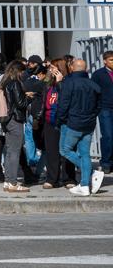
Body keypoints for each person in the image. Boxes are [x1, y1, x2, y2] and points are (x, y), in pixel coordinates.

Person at [56, 57, 104, 196]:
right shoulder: (93, 84)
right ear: (86, 69)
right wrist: (91, 116)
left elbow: (63, 105)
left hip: (72, 123)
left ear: (72, 68)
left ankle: (92, 172)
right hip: (88, 124)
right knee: (85, 154)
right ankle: (84, 185)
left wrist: (60, 121)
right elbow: (98, 106)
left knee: (64, 150)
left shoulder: (68, 83)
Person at [40, 59, 76, 189]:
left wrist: (60, 82)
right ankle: (52, 178)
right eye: (50, 68)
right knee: (51, 152)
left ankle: (68, 178)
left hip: (65, 122)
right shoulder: (48, 84)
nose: (50, 70)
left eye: (53, 68)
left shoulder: (68, 83)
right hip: (50, 121)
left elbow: (67, 98)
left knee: (66, 151)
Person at [0, 61, 32, 193]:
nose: (23, 74)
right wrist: (28, 98)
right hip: (15, 119)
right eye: (22, 71)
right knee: (15, 151)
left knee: (9, 151)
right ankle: (13, 182)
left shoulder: (4, 83)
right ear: (18, 71)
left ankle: (8, 181)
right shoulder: (15, 83)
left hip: (6, 119)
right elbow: (20, 103)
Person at [94, 51, 113, 175]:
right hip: (105, 108)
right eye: (111, 60)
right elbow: (94, 91)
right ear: (105, 61)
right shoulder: (98, 74)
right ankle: (106, 162)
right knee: (108, 135)